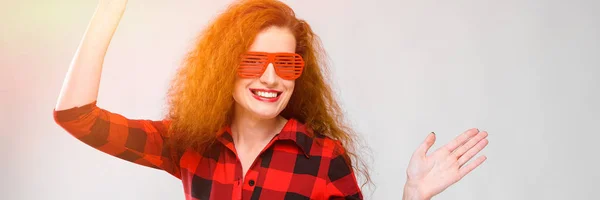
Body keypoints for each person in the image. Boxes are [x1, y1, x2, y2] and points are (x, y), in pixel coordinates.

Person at [53, 0, 489, 199]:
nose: (270, 77)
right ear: (224, 69)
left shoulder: (322, 158)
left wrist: (413, 196)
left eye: (287, 64)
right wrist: (109, 8)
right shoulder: (189, 144)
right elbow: (75, 117)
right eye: (252, 62)